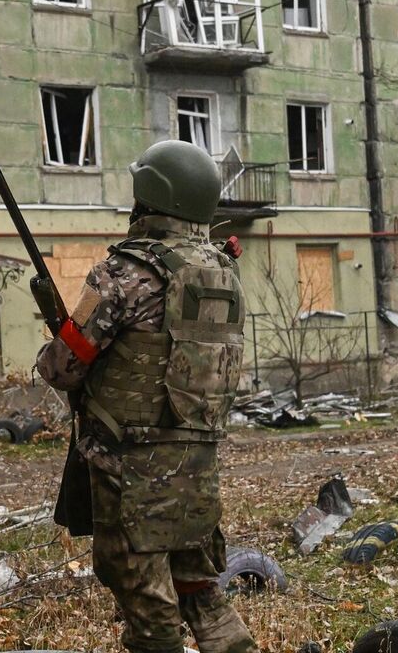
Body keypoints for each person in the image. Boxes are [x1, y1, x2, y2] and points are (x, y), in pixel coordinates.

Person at [35, 140, 255, 653]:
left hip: (128, 462)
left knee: (146, 599)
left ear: (150, 196)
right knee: (199, 589)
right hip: (196, 460)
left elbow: (64, 368)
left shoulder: (125, 273)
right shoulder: (223, 270)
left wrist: (56, 340)